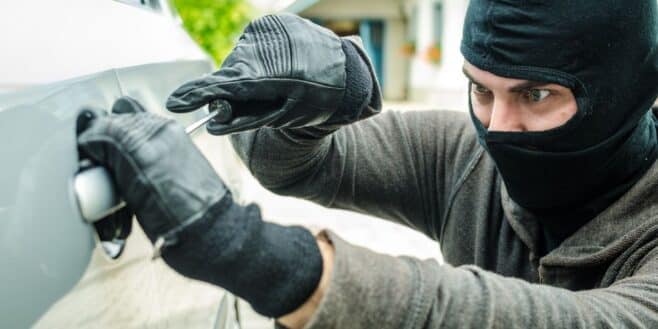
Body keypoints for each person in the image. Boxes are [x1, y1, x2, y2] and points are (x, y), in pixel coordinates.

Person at [78, 1, 658, 328]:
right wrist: (314, 105)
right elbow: (302, 165)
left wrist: (245, 251)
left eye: (535, 96)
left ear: (628, 92)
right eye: (480, 91)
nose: (498, 128)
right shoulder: (469, 157)